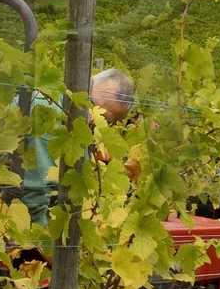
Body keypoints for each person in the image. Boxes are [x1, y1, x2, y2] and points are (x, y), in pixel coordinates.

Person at [19, 67, 136, 224]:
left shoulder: (84, 126)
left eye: (105, 118)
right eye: (92, 104)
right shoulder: (47, 113)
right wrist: (50, 243)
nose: (93, 117)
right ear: (84, 85)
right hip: (0, 205)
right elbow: (34, 197)